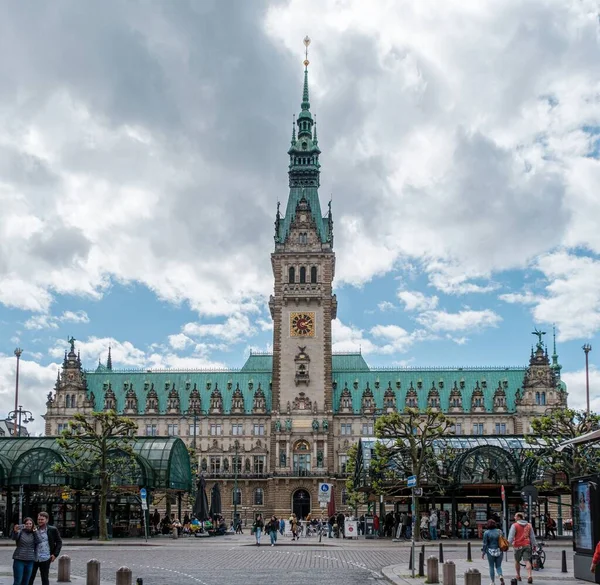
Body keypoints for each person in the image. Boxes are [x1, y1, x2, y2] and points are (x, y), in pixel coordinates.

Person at [29, 511, 62, 585]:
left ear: (47, 520)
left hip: (46, 557)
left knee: (44, 578)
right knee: (30, 577)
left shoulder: (52, 529)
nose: (40, 521)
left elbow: (59, 542)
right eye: (39, 519)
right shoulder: (34, 529)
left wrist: (55, 554)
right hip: (34, 557)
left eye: (42, 519)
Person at [508, 512, 536, 584]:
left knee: (517, 561)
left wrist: (507, 544)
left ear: (519, 517)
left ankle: (518, 575)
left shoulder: (514, 525)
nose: (514, 517)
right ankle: (529, 575)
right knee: (527, 561)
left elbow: (511, 537)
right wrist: (534, 545)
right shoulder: (529, 525)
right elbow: (532, 537)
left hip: (517, 546)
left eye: (515, 516)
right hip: (527, 545)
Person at [12, 517, 41, 585]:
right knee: (18, 581)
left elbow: (39, 541)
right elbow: (14, 538)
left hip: (30, 560)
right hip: (19, 559)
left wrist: (35, 531)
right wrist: (15, 531)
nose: (28, 525)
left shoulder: (34, 533)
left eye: (30, 524)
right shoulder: (20, 531)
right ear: (24, 524)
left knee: (26, 581)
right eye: (27, 523)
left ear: (33, 524)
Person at [482, 519, 505, 585]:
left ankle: (492, 582)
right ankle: (500, 575)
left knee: (491, 566)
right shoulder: (499, 531)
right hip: (499, 550)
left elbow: (485, 544)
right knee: (498, 566)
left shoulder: (486, 533)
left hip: (490, 551)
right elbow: (502, 540)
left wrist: (483, 553)